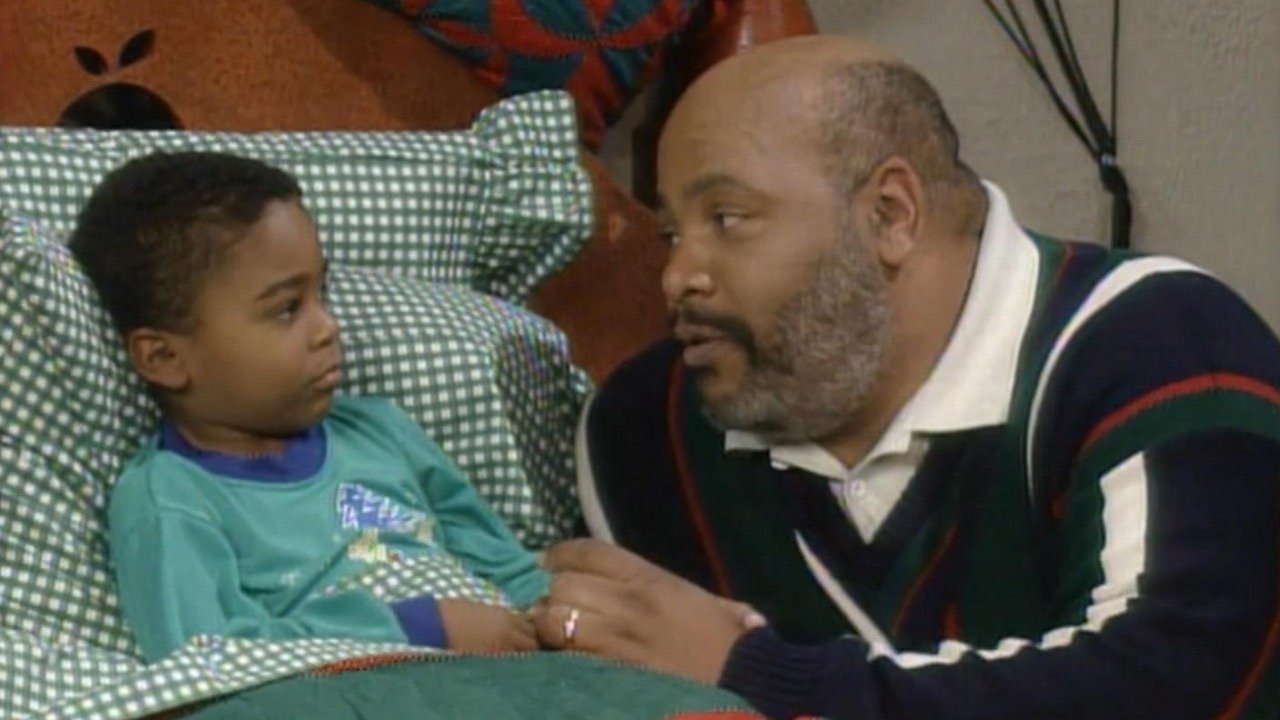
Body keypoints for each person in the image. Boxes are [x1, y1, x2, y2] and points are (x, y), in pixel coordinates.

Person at [529, 35, 1280, 720]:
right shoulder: (642, 433)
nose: (676, 276)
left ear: (891, 215)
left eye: (727, 219)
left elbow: (1179, 687)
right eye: (670, 232)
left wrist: (756, 671)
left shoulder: (1164, 345)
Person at [70, 151, 549, 662]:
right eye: (287, 309)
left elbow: (506, 570)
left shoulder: (379, 432)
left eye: (323, 292)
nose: (328, 327)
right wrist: (417, 628)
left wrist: (558, 614)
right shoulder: (173, 498)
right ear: (164, 358)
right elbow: (207, 661)